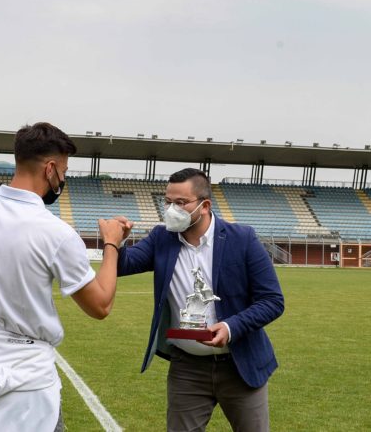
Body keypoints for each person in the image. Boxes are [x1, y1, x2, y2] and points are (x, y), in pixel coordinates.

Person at [0, 122, 126, 432]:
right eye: (63, 171)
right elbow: (100, 305)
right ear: (50, 169)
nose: (62, 179)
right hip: (29, 379)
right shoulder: (56, 232)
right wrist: (112, 244)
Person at [114, 168, 284, 432]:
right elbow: (122, 265)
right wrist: (116, 242)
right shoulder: (162, 238)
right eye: (168, 201)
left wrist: (230, 327)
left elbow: (272, 300)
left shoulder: (243, 239)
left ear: (204, 206)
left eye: (180, 203)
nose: (171, 209)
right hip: (187, 368)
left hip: (240, 364)